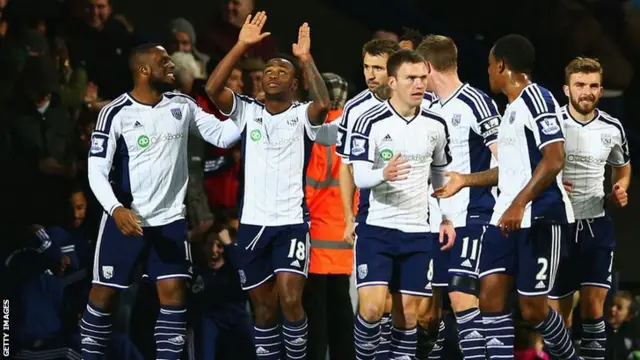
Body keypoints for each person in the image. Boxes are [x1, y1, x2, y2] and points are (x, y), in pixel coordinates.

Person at [81, 43, 241, 360]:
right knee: (103, 297)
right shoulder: (115, 113)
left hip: (169, 221)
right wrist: (115, 209)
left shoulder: (183, 106)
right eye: (162, 61)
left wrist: (248, 110)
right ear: (143, 71)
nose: (171, 66)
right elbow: (95, 170)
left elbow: (224, 137)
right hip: (127, 220)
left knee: (173, 297)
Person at [434, 34, 579, 360]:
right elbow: (510, 170)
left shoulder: (537, 98)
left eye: (489, 65)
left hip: (542, 218)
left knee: (532, 310)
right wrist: (466, 180)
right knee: (490, 299)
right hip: (505, 220)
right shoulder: (510, 110)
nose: (487, 72)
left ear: (501, 65)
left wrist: (519, 202)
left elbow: (554, 158)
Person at [205, 12, 331, 360]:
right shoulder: (246, 110)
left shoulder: (302, 114)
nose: (273, 74)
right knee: (263, 310)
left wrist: (306, 59)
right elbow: (212, 89)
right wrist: (241, 45)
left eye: (283, 71)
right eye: (269, 71)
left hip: (291, 223)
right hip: (252, 226)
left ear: (294, 84)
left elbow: (323, 105)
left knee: (291, 300)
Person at [349, 49, 455, 360]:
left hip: (417, 231)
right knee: (370, 310)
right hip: (377, 230)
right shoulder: (369, 121)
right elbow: (359, 176)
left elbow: (439, 173)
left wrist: (446, 217)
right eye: (411, 78)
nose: (419, 84)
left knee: (408, 317)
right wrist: (383, 173)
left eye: (423, 77)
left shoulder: (435, 125)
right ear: (393, 81)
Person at [416, 35, 501, 359]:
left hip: (473, 217)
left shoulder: (476, 103)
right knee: (427, 312)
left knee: (463, 301)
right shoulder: (426, 107)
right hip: (434, 222)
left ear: (427, 67)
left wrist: (465, 180)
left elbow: (508, 165)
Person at [548, 57, 631, 360]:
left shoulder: (612, 126)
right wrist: (550, 184)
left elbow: (623, 168)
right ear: (566, 89)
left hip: (597, 225)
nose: (587, 91)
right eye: (580, 85)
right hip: (559, 226)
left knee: (594, 307)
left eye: (593, 85)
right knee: (559, 315)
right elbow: (530, 168)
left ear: (600, 89)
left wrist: (620, 188)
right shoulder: (551, 123)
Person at [334, 38, 400, 358]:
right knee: (372, 306)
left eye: (377, 67)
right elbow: (345, 167)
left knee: (409, 310)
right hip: (371, 219)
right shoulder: (355, 108)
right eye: (366, 67)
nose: (370, 74)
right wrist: (348, 216)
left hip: (414, 218)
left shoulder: (419, 102)